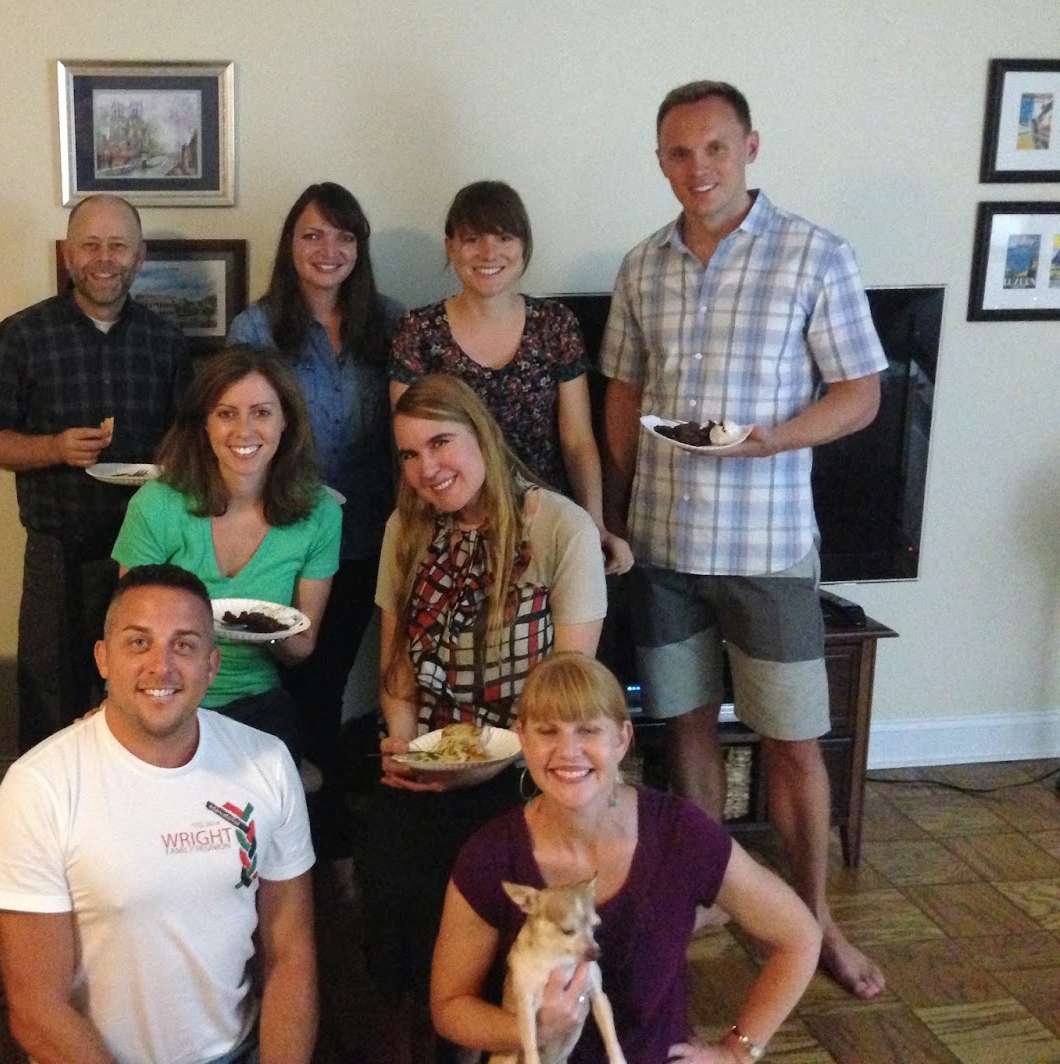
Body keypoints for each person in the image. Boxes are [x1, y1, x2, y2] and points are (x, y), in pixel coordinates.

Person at [600, 80, 889, 1000]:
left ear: (751, 147)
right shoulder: (642, 265)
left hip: (767, 548)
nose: (700, 168)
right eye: (680, 153)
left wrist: (775, 438)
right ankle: (707, 894)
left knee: (793, 741)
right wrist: (618, 505)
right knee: (685, 729)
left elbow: (861, 393)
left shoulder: (815, 254)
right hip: (663, 547)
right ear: (660, 160)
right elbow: (622, 390)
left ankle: (815, 921)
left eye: (716, 148)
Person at [359, 374, 606, 1061]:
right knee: (392, 866)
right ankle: (429, 1028)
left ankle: (510, 1033)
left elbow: (569, 693)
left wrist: (501, 759)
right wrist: (404, 744)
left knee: (492, 865)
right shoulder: (406, 528)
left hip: (532, 766)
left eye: (441, 443)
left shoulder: (560, 527)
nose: (427, 468)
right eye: (410, 455)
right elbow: (397, 671)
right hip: (435, 756)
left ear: (483, 434)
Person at [0, 564, 317, 1064]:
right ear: (103, 659)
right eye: (139, 643)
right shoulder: (39, 787)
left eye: (184, 645)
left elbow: (291, 956)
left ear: (212, 665)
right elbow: (37, 1008)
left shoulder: (266, 762)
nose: (162, 666)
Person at [430, 652, 821, 1063]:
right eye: (547, 731)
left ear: (622, 738)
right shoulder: (492, 855)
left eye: (588, 730)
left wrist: (737, 1051)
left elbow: (800, 938)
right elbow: (450, 1006)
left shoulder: (678, 833)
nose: (568, 750)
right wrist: (534, 1031)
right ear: (522, 739)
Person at [227, 181, 404, 887]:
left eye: (343, 236)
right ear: (289, 245)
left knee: (324, 681)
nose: (328, 250)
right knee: (289, 680)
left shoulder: (389, 322)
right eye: (312, 235)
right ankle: (295, 838)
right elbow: (242, 429)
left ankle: (317, 838)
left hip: (368, 538)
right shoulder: (257, 327)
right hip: (284, 536)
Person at [0, 194, 190, 751]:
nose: (104, 258)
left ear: (140, 256)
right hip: (56, 553)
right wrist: (55, 448)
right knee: (49, 701)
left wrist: (171, 466)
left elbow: (188, 439)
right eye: (90, 245)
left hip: (149, 551)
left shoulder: (166, 341)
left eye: (118, 245)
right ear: (69, 254)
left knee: (145, 694)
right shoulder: (20, 335)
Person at [390, 181, 632, 575]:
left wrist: (594, 525)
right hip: (451, 524)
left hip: (545, 521)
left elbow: (577, 441)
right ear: (450, 247)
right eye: (472, 239)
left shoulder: (555, 324)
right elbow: (412, 447)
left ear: (524, 246)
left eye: (504, 237)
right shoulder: (417, 331)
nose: (489, 253)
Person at [112, 346, 342, 755]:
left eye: (262, 413)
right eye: (226, 413)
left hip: (255, 700)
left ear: (286, 421)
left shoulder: (320, 514)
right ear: (204, 422)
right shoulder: (156, 504)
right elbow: (128, 634)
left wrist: (267, 631)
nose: (244, 431)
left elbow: (301, 648)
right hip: (160, 691)